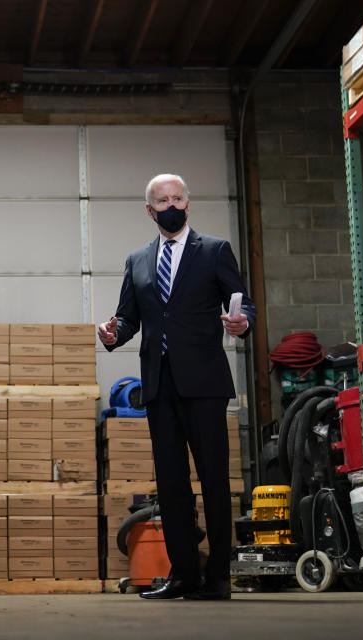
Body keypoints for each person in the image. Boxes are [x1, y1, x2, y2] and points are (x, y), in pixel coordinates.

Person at [98, 173, 256, 601]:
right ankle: (184, 574)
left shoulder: (215, 251)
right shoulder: (137, 261)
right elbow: (128, 318)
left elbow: (243, 305)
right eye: (162, 200)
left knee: (214, 481)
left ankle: (219, 577)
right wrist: (113, 333)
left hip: (204, 381)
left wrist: (242, 322)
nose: (171, 205)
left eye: (177, 198)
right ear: (150, 211)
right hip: (160, 385)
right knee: (171, 485)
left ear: (188, 203)